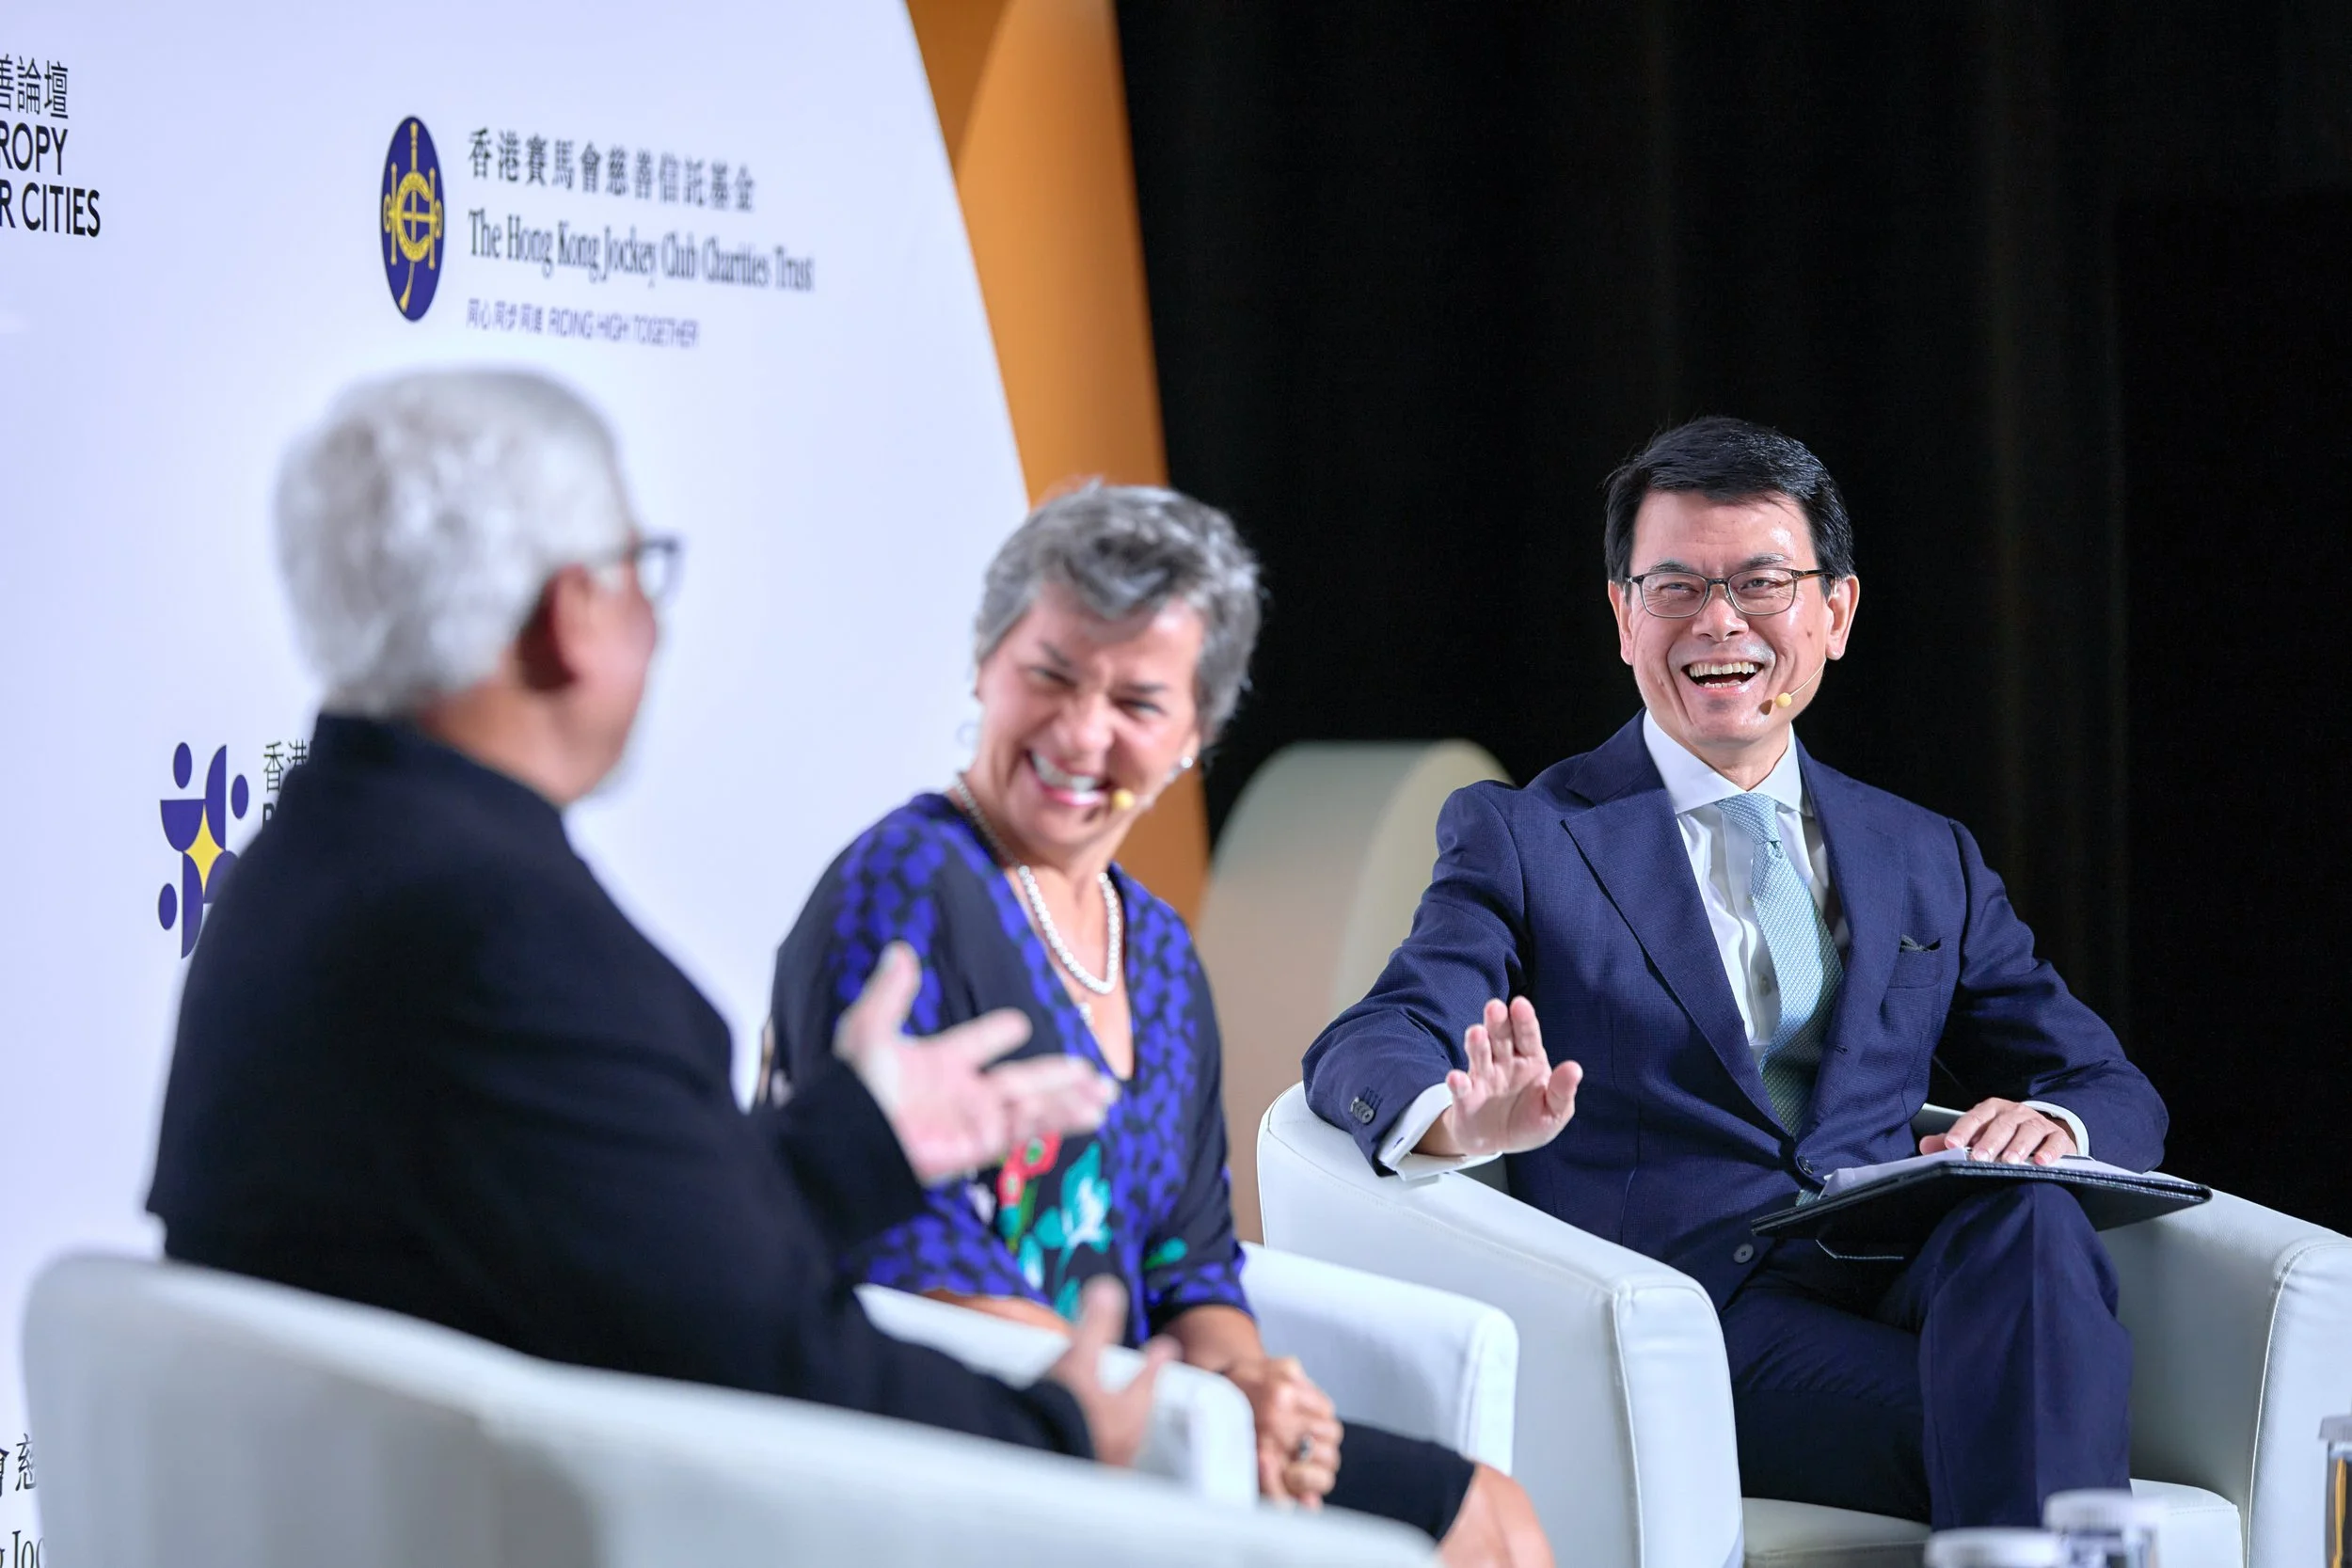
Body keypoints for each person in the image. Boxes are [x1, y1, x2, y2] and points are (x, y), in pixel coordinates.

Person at [147, 368, 1163, 1466]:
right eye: (639, 568)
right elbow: (763, 1365)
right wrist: (1058, 1431)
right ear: (569, 616)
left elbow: (618, 1238)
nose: (655, 617)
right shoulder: (502, 934)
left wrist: (856, 1141)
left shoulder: (317, 857)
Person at [1303, 417, 2168, 1529]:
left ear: (1834, 612)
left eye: (1760, 583)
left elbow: (2106, 1083)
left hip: (1900, 1272)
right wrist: (1453, 1122)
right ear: (1623, 616)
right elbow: (1372, 1038)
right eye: (1674, 587)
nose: (1718, 621)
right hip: (1700, 1312)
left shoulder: (1923, 854)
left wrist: (2050, 1123)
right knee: (2036, 1419)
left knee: (2034, 1220)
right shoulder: (1525, 836)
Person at [766, 484, 1553, 1566]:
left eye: (1136, 701)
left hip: (1154, 1423)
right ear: (986, 664)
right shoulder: (903, 886)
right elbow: (905, 1257)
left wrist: (1252, 1384)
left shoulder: (1158, 950)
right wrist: (1199, 1409)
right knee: (1469, 1523)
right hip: (972, 1425)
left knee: (1492, 1511)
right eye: (1050, 674)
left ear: (1195, 734)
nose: (1080, 731)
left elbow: (1192, 1266)